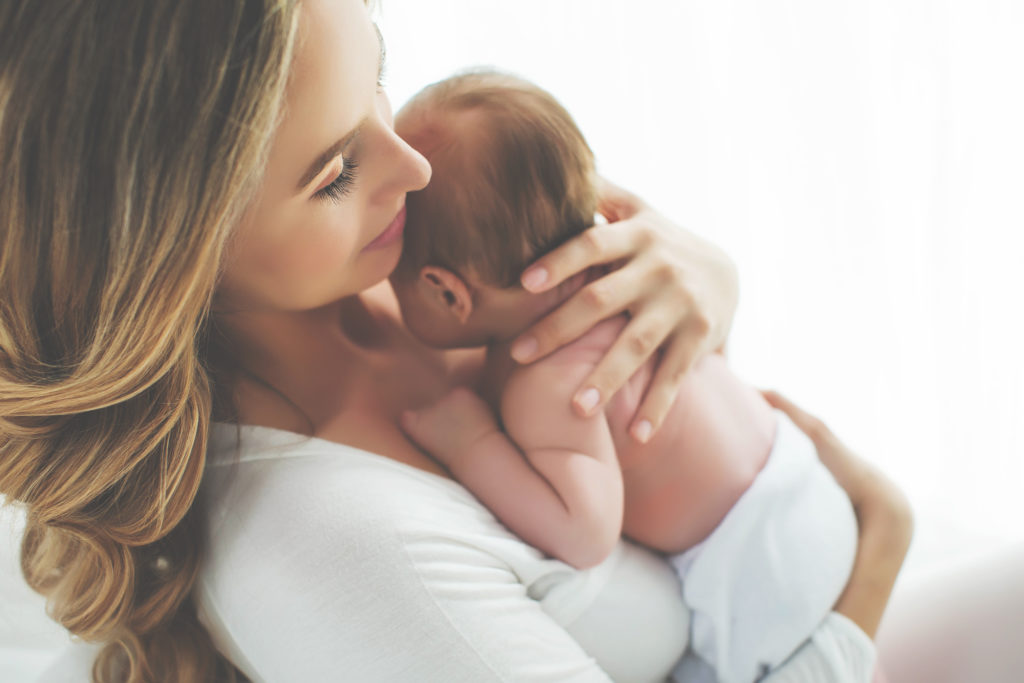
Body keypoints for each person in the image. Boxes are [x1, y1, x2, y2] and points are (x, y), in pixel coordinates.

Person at [1, 1, 911, 681]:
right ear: (170, 257)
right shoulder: (339, 551)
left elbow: (650, 366)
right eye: (335, 172)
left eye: (378, 81)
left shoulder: (397, 251)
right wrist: (873, 561)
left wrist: (707, 280)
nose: (416, 166)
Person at [389, 70, 860, 682]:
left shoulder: (547, 382)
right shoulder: (628, 267)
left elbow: (585, 531)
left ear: (446, 292)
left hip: (759, 564)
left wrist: (469, 441)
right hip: (801, 480)